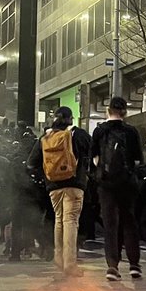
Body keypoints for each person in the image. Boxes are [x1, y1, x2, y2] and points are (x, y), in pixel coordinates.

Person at [27, 105, 91, 276]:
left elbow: (30, 163)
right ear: (70, 118)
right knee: (70, 221)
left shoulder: (46, 137)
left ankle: (59, 259)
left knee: (59, 221)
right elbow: (92, 154)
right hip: (74, 184)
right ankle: (70, 264)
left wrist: (46, 176)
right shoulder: (78, 134)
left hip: (53, 186)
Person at [90, 96, 143, 281]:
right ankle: (135, 265)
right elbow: (137, 160)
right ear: (124, 112)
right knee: (129, 222)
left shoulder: (99, 131)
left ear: (108, 110)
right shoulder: (131, 131)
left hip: (106, 185)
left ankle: (112, 266)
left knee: (110, 225)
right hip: (127, 184)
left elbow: (94, 158)